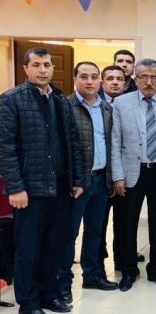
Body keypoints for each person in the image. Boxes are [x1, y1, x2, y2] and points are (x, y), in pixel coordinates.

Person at [0, 48, 85, 314]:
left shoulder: (60, 100)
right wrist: (15, 187)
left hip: (60, 186)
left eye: (47, 64)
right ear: (25, 68)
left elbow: (73, 142)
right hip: (29, 190)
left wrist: (78, 179)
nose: (43, 70)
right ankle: (29, 302)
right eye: (36, 65)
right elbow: (5, 148)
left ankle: (49, 294)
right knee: (28, 249)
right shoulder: (11, 100)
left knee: (53, 245)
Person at [111, 58, 156, 292]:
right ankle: (129, 270)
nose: (149, 82)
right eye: (143, 77)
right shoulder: (121, 103)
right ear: (135, 78)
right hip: (132, 171)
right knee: (127, 225)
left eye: (154, 77)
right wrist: (118, 176)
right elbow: (115, 141)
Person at [58, 62, 118, 305]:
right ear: (75, 79)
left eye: (94, 77)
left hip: (101, 180)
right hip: (77, 184)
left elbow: (110, 144)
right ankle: (63, 282)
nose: (90, 81)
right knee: (69, 234)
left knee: (95, 231)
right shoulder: (65, 106)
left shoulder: (106, 108)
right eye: (84, 76)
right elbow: (62, 148)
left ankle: (92, 275)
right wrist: (73, 179)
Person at [98, 65, 130, 275]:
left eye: (119, 79)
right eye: (110, 78)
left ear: (125, 84)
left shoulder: (129, 105)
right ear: (102, 83)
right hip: (100, 175)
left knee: (122, 221)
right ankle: (97, 266)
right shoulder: (95, 104)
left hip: (123, 175)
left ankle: (122, 261)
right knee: (98, 224)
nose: (115, 82)